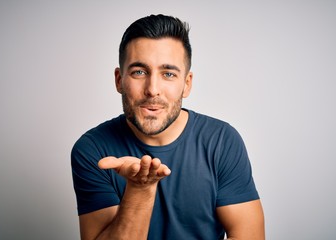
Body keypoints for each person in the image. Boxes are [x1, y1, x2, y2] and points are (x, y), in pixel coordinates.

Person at [71, 14, 265, 240]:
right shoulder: (92, 150)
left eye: (168, 74)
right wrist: (139, 190)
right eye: (139, 72)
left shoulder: (222, 141)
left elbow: (249, 236)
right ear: (118, 80)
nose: (153, 89)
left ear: (187, 84)